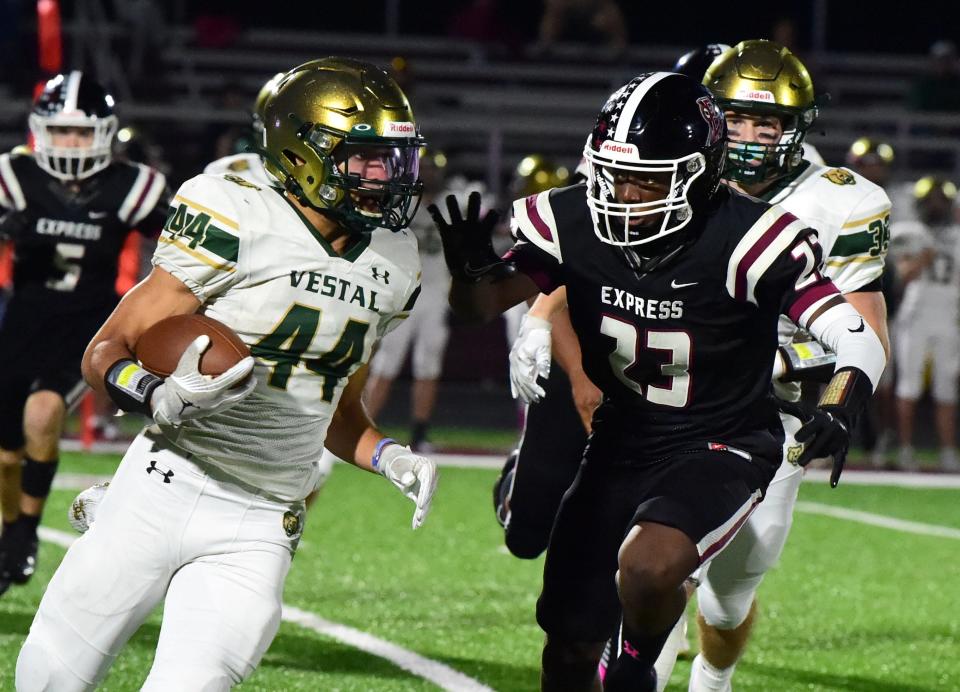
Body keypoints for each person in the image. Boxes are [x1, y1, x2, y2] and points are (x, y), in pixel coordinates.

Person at [430, 70, 886, 692]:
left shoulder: (750, 239)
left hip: (720, 439)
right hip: (621, 440)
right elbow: (480, 307)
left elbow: (854, 334)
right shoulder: (573, 217)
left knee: (649, 568)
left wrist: (840, 399)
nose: (623, 193)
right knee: (565, 651)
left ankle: (638, 664)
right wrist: (469, 274)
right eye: (613, 173)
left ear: (698, 171)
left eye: (646, 178)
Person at [15, 57, 439, 691]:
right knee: (50, 675)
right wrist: (154, 392)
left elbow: (336, 411)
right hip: (165, 482)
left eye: (393, 158)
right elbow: (106, 350)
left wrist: (389, 457)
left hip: (262, 520)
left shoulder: (396, 261)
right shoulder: (236, 213)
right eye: (367, 157)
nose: (387, 176)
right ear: (305, 152)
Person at [683, 40, 892, 692]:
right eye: (734, 118)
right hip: (672, 390)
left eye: (763, 123)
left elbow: (866, 325)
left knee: (727, 596)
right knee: (652, 568)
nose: (745, 137)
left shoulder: (840, 200)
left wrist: (839, 400)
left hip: (776, 407)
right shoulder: (674, 171)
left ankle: (712, 678)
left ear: (793, 127)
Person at [0, 71, 169, 596]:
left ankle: (25, 531)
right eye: (61, 131)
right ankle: (14, 529)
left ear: (102, 133)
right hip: (23, 322)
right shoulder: (15, 175)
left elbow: (180, 246)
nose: (70, 142)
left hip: (90, 325)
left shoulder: (132, 185)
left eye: (79, 132)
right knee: (5, 455)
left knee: (43, 412)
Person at [364, 149, 451, 452]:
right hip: (404, 292)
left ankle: (419, 433)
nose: (428, 175)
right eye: (423, 169)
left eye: (432, 169)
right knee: (386, 363)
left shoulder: (456, 203)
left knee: (428, 366)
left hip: (437, 293)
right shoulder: (400, 202)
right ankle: (363, 426)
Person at [890, 176, 960, 472]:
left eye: (940, 200)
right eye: (930, 200)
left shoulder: (957, 235)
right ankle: (905, 449)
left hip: (950, 317)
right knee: (909, 386)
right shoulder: (909, 231)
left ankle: (947, 452)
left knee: (947, 388)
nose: (935, 206)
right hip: (915, 316)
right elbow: (900, 276)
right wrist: (923, 258)